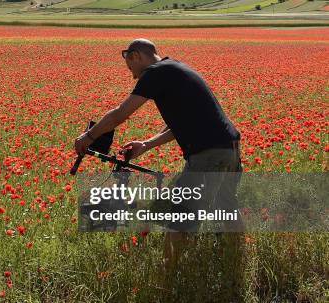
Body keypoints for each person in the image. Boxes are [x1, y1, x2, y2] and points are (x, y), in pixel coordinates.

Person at [73, 38, 245, 300]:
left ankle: (169, 278)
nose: (131, 74)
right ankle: (237, 265)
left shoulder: (155, 73)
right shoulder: (176, 69)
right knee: (227, 208)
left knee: (178, 216)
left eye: (129, 64)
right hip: (227, 148)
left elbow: (121, 113)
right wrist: (146, 144)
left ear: (137, 56)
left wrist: (88, 137)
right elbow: (184, 122)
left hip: (208, 154)